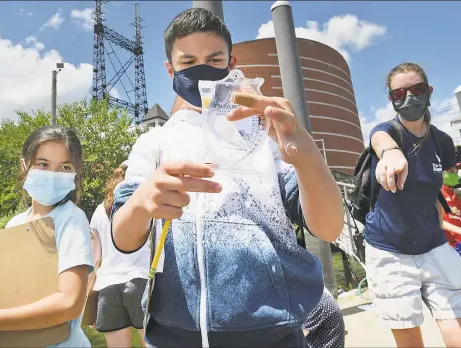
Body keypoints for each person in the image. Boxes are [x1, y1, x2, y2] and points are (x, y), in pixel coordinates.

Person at [111, 8, 344, 348]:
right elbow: (123, 237)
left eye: (213, 58)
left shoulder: (264, 137)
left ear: (231, 62)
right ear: (170, 68)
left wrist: (305, 152)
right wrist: (142, 203)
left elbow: (328, 227)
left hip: (273, 332)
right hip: (175, 333)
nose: (201, 70)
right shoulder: (154, 142)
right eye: (188, 61)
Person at [364, 63, 461, 347]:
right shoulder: (387, 132)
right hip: (390, 251)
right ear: (392, 99)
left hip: (434, 247)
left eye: (416, 90)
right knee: (411, 342)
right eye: (400, 93)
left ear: (429, 92)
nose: (409, 98)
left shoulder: (442, 141)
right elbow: (379, 138)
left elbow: (437, 188)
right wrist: (390, 153)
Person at [0, 126, 93, 347]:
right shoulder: (15, 224)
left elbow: (70, 302)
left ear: (76, 173)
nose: (53, 174)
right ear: (24, 166)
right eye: (43, 164)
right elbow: (13, 294)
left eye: (65, 166)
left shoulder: (72, 218)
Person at [89, 163, 148, 347]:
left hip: (107, 286)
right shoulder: (146, 206)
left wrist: (88, 301)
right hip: (141, 280)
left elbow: (95, 260)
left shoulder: (99, 211)